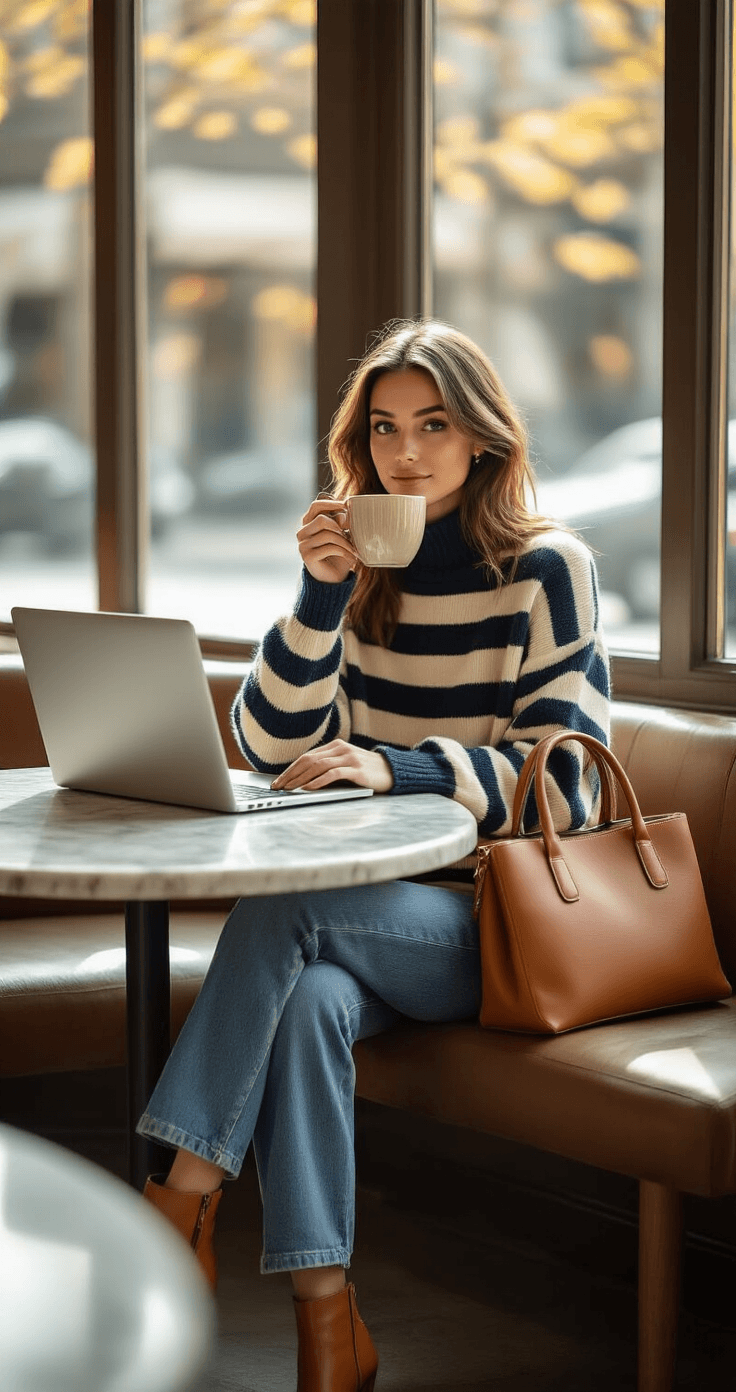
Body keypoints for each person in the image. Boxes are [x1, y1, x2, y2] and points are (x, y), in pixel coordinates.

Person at [137, 319, 610, 1392]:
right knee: (307, 1006)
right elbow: (265, 744)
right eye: (385, 428)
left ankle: (175, 1199)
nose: (406, 452)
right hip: (372, 923)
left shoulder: (548, 569)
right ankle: (328, 1330)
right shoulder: (367, 574)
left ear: (482, 439)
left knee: (285, 910)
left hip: (495, 925)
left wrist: (397, 768)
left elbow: (568, 785)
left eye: (434, 425)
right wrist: (319, 598)